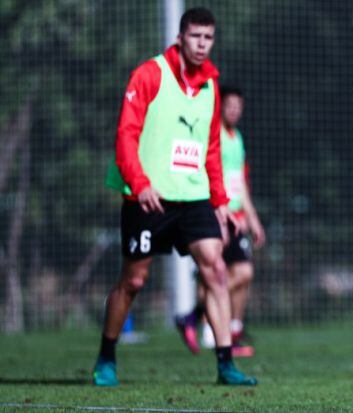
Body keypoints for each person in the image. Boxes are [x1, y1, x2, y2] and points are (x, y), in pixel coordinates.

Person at [94, 7, 257, 386]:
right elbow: (126, 134)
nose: (202, 45)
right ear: (181, 37)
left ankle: (225, 364)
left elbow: (211, 148)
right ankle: (106, 356)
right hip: (148, 197)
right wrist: (140, 182)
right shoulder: (150, 74)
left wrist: (219, 202)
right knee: (134, 280)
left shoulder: (211, 85)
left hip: (195, 196)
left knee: (216, 268)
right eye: (195, 37)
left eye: (208, 38)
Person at [176, 86, 266, 357]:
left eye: (239, 106)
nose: (235, 110)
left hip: (237, 217)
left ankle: (219, 325)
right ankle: (211, 327)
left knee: (242, 274)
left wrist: (253, 218)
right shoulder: (212, 136)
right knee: (220, 274)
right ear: (220, 107)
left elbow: (240, 184)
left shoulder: (236, 138)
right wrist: (217, 209)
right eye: (230, 105)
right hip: (219, 214)